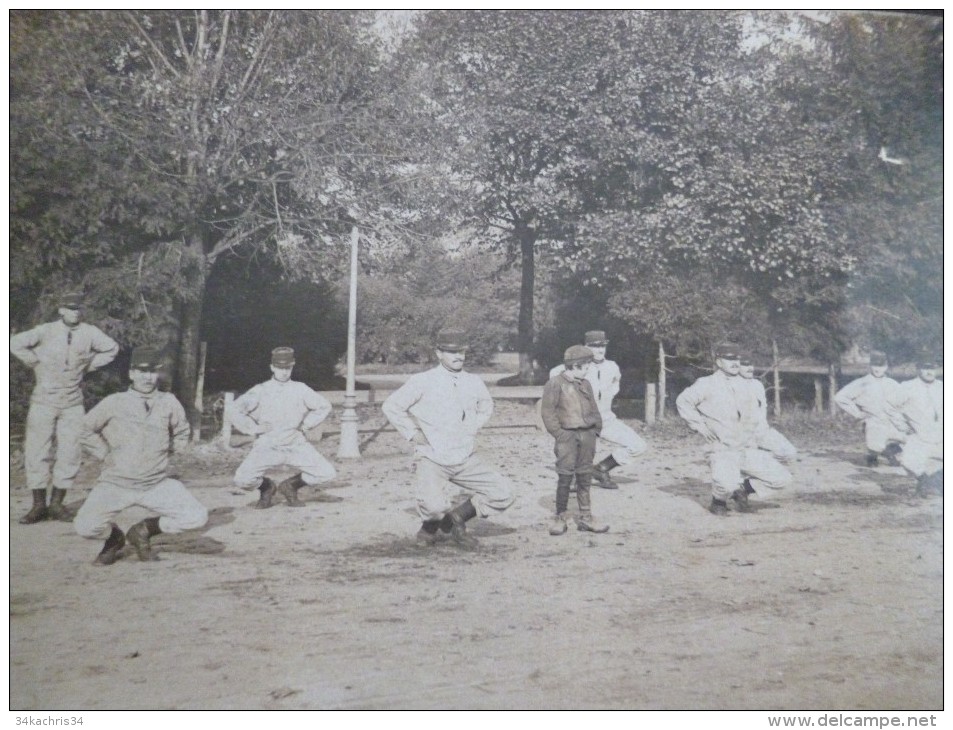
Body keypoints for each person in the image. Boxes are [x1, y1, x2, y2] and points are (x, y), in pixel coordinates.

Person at [382, 328, 515, 549]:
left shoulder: (473, 381)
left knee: (504, 493)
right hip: (433, 457)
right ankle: (429, 529)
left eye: (461, 352)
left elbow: (486, 406)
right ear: (438, 353)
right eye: (452, 352)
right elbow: (392, 406)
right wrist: (413, 433)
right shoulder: (423, 380)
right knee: (434, 507)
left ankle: (456, 519)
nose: (458, 357)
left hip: (465, 457)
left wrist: (472, 427)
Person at [74, 346, 208, 565]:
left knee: (197, 517)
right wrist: (104, 453)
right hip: (116, 484)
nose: (147, 377)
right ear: (131, 374)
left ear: (158, 374)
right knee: (85, 527)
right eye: (141, 371)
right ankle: (114, 538)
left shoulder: (168, 402)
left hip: (154, 483)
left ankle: (143, 530)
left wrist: (172, 451)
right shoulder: (114, 402)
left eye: (152, 371)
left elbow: (182, 431)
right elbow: (84, 429)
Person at [10, 291, 119, 524]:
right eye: (70, 308)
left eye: (78, 309)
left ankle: (57, 504)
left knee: (70, 451)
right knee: (37, 451)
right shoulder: (46, 330)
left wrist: (89, 365)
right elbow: (14, 342)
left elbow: (111, 348)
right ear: (61, 310)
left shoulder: (90, 333)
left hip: (72, 402)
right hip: (44, 400)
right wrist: (34, 361)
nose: (74, 312)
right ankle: (38, 505)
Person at [675, 343, 792, 516]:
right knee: (726, 484)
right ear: (718, 362)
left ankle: (743, 489)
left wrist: (759, 439)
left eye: (737, 359)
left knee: (783, 479)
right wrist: (699, 425)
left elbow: (757, 417)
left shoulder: (750, 385)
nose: (735, 362)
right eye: (729, 359)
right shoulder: (707, 383)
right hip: (723, 449)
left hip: (747, 447)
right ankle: (718, 501)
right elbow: (683, 402)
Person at [229, 347, 336, 508]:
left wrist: (306, 425)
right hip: (268, 445)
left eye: (288, 368)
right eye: (280, 368)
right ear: (272, 367)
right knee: (242, 480)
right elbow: (235, 409)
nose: (284, 372)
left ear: (292, 367)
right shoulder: (262, 390)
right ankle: (267, 488)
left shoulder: (300, 388)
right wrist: (253, 428)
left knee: (326, 473)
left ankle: (290, 486)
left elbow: (324, 406)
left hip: (294, 443)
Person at [548, 330, 647, 489]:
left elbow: (615, 386)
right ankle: (572, 477)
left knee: (638, 446)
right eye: (594, 346)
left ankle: (602, 469)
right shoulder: (578, 367)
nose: (600, 350)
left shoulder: (612, 367)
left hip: (606, 419)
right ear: (586, 347)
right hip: (582, 421)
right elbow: (554, 374)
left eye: (602, 346)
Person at [541, 345, 609, 535]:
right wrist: (560, 434)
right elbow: (548, 412)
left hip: (587, 436)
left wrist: (596, 429)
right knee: (565, 476)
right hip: (567, 437)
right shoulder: (555, 383)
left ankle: (586, 517)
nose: (588, 369)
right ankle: (560, 515)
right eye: (586, 365)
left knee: (585, 475)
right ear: (576, 365)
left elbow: (594, 408)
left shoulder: (585, 384)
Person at [734, 353, 798, 509]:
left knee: (789, 452)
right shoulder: (732, 387)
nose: (749, 368)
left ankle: (747, 485)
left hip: (762, 431)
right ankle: (740, 484)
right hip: (743, 436)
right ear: (736, 367)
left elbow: (762, 410)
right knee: (749, 459)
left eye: (751, 364)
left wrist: (763, 432)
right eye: (744, 364)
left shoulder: (757, 385)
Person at [833, 352, 905, 467]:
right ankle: (873, 455)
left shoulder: (892, 384)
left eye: (881, 366)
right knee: (875, 444)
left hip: (892, 420)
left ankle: (891, 451)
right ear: (870, 366)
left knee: (908, 440)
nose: (878, 369)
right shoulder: (863, 382)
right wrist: (857, 413)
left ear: (886, 367)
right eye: (875, 365)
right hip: (873, 420)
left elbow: (904, 401)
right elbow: (840, 397)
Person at [888, 357, 943, 496]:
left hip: (942, 434)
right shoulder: (908, 387)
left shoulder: (943, 387)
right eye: (925, 368)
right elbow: (890, 406)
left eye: (933, 368)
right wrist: (902, 425)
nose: (929, 372)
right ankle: (925, 481)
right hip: (919, 434)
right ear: (919, 369)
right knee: (908, 462)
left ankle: (938, 483)